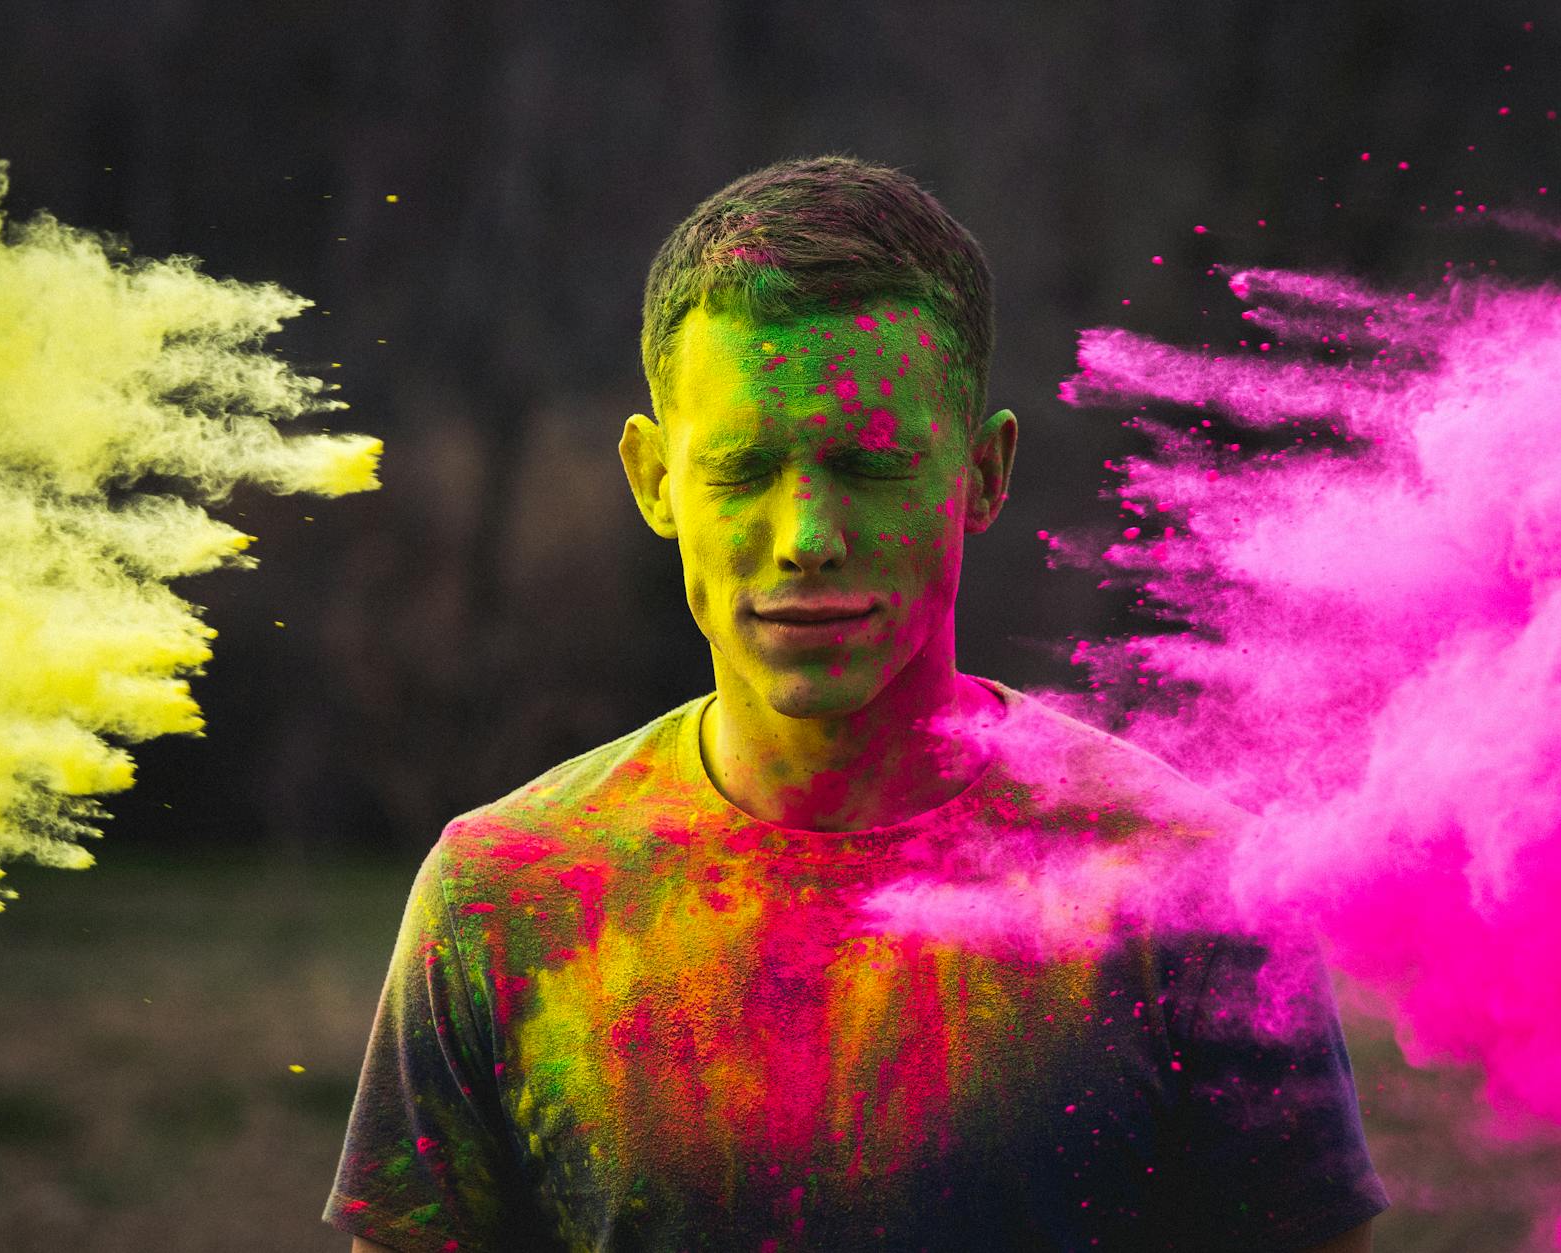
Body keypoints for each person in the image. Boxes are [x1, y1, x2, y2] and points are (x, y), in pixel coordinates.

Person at [325, 155, 1388, 1252]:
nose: (806, 535)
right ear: (652, 480)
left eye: (870, 462)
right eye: (741, 469)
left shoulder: (1186, 888)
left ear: (981, 472)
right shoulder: (507, 895)